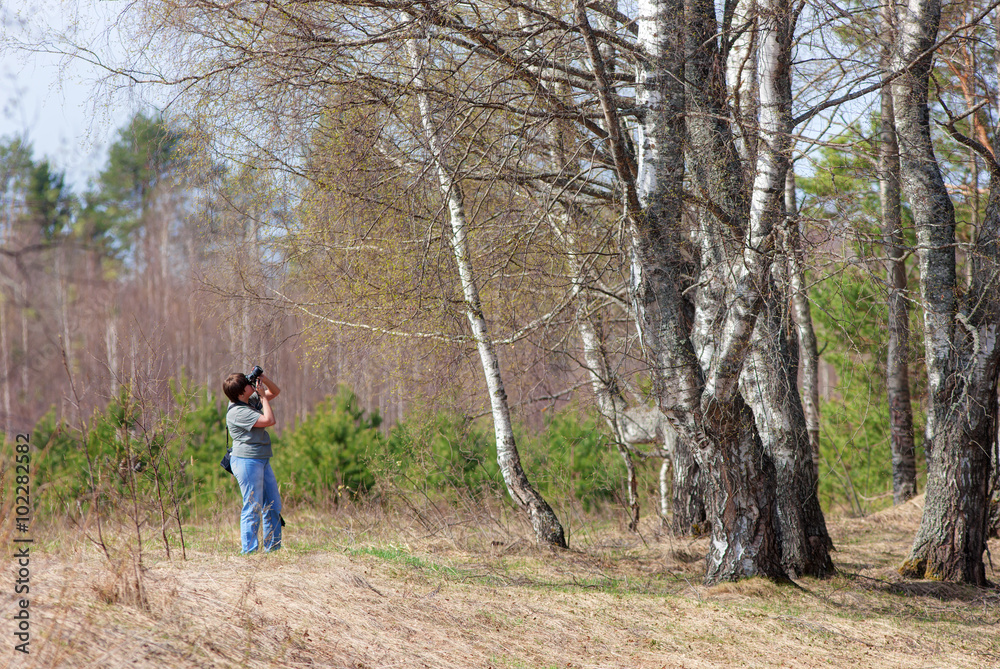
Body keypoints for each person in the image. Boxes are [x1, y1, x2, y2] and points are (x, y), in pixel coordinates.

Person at [223, 370, 282, 553]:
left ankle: (272, 548)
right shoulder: (238, 412)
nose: (251, 384)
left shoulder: (246, 402)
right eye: (248, 384)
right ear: (241, 393)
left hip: (261, 459)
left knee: (272, 504)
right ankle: (248, 551)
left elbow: (276, 391)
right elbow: (269, 420)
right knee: (253, 506)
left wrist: (264, 380)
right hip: (247, 461)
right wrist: (263, 396)